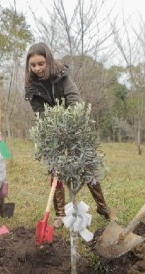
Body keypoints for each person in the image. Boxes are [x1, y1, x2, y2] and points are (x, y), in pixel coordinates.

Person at [24, 42, 117, 228]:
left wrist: (69, 123)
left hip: (74, 126)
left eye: (41, 63)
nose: (37, 68)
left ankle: (103, 207)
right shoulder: (31, 85)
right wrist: (54, 130)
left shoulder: (62, 75)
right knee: (55, 170)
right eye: (33, 65)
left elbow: (74, 98)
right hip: (51, 131)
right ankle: (60, 214)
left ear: (48, 60)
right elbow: (39, 112)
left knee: (87, 165)